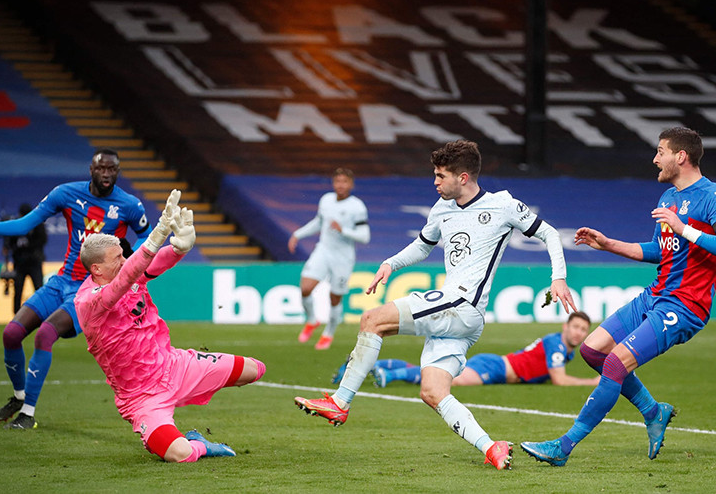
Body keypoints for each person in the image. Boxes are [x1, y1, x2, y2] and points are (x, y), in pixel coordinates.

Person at [294, 139, 576, 470]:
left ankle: (340, 402)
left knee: (372, 319)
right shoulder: (441, 209)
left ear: (464, 177)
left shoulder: (503, 205)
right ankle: (492, 447)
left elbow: (551, 235)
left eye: (441, 176)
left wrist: (558, 277)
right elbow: (422, 246)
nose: (435, 182)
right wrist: (391, 264)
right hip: (461, 319)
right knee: (432, 391)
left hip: (461, 303)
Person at [521, 127, 716, 466]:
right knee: (592, 350)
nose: (655, 159)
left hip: (686, 305)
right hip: (655, 295)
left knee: (615, 362)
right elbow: (660, 250)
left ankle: (563, 448)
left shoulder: (711, 196)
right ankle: (653, 411)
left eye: (660, 151)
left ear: (680, 156)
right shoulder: (668, 199)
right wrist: (608, 243)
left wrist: (684, 228)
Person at [0, 148, 151, 430]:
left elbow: (147, 238)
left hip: (90, 290)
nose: (107, 174)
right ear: (90, 170)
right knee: (11, 333)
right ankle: (19, 397)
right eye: (101, 168)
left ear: (118, 172)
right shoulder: (66, 194)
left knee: (45, 334)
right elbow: (25, 224)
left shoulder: (129, 205)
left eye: (112, 169)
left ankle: (28, 415)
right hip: (61, 280)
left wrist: (131, 254)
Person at [75, 190, 266, 462]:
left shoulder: (127, 273)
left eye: (123, 254)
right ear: (96, 269)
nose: (124, 260)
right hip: (142, 398)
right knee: (181, 454)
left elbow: (150, 266)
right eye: (117, 257)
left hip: (175, 366)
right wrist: (157, 233)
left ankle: (200, 395)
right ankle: (201, 444)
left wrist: (178, 248)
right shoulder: (88, 303)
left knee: (254, 369)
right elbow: (125, 278)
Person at [332, 312, 599, 388]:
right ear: (566, 327)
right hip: (493, 368)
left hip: (496, 367)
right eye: (575, 327)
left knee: (441, 377)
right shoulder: (557, 345)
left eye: (582, 330)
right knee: (448, 382)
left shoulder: (561, 346)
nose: (578, 333)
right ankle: (387, 375)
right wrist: (592, 381)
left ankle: (378, 366)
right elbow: (559, 380)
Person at [288, 168, 370, 350]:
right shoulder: (326, 200)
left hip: (343, 257)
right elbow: (319, 222)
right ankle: (311, 320)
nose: (340, 185)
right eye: (337, 181)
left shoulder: (357, 206)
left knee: (334, 297)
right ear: (333, 183)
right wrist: (298, 234)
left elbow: (365, 236)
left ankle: (328, 333)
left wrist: (344, 230)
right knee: (305, 287)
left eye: (344, 182)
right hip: (323, 250)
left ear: (351, 184)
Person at [2, 203, 48, 315]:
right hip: (20, 263)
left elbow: (43, 239)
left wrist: (27, 246)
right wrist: (10, 246)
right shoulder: (17, 224)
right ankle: (16, 314)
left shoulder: (37, 224)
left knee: (39, 289)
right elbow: (10, 240)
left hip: (34, 262)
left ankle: (41, 313)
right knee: (18, 290)